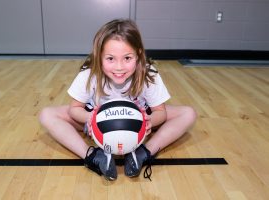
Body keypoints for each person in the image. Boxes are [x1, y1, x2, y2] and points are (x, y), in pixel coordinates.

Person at [39, 19, 196, 181]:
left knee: (188, 114)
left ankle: (143, 152)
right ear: (99, 56)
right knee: (47, 114)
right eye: (110, 59)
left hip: (138, 123)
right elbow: (74, 108)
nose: (119, 67)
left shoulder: (148, 73)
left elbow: (160, 112)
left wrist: (149, 121)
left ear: (139, 54)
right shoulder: (90, 73)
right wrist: (90, 118)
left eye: (127, 58)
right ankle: (93, 156)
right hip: (96, 122)